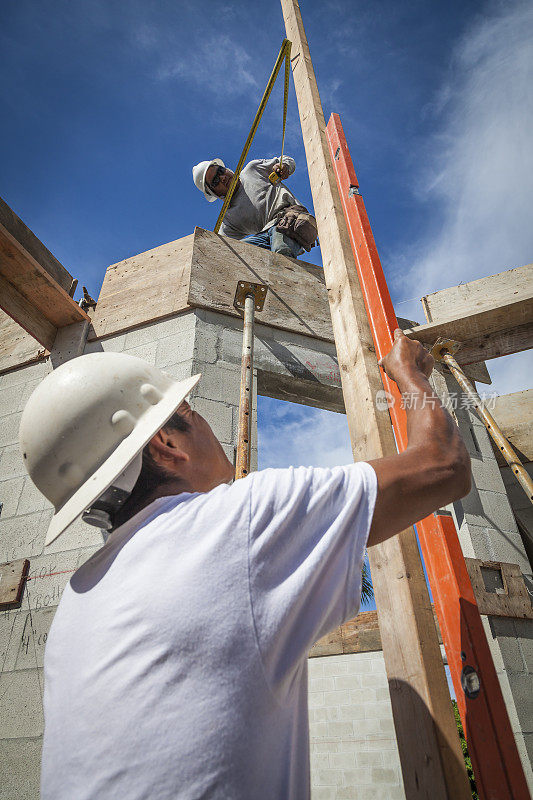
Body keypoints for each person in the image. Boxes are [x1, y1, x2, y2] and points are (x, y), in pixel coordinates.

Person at [19, 330, 470, 800]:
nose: (209, 425)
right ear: (166, 445)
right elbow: (443, 466)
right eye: (193, 414)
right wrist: (411, 374)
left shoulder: (78, 599)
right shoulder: (234, 524)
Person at [192, 156, 316, 258]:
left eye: (220, 171)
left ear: (226, 169)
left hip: (289, 219)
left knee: (281, 252)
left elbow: (288, 160)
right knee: (237, 257)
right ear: (214, 193)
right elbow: (221, 245)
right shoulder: (229, 218)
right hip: (265, 235)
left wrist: (284, 166)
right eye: (215, 181)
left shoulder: (252, 170)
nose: (222, 178)